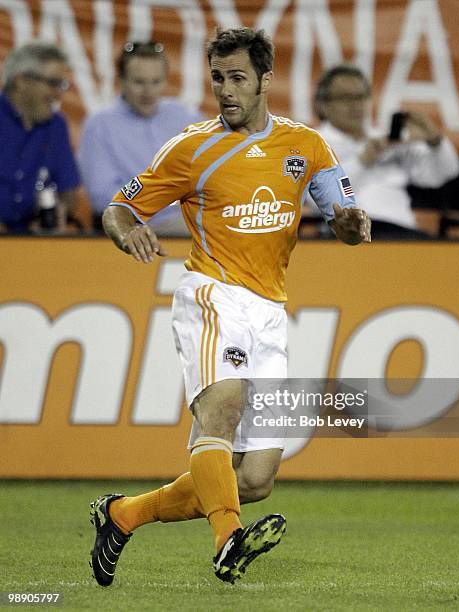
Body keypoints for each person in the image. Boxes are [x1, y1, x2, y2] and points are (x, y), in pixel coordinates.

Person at [89, 27, 370, 587]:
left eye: (238, 77)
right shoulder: (192, 148)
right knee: (219, 411)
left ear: (267, 80)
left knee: (256, 479)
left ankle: (123, 515)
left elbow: (343, 212)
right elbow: (119, 207)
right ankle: (227, 543)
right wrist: (126, 232)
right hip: (211, 295)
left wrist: (348, 223)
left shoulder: (306, 145)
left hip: (269, 311)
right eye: (218, 78)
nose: (226, 90)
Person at [312, 64, 459, 239]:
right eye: (346, 98)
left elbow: (445, 172)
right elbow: (320, 200)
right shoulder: (313, 142)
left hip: (403, 234)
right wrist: (364, 159)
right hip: (347, 237)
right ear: (322, 104)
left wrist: (435, 140)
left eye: (361, 97)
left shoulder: (388, 139)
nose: (356, 105)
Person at [78, 41, 202, 233]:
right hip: (137, 227)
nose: (148, 92)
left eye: (156, 82)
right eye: (139, 82)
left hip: (193, 218)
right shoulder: (99, 126)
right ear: (121, 81)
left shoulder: (186, 117)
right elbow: (102, 197)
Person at [0, 41, 80, 233]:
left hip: (35, 241)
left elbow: (69, 192)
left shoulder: (57, 125)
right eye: (53, 83)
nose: (59, 94)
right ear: (21, 81)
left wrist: (59, 212)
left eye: (61, 85)